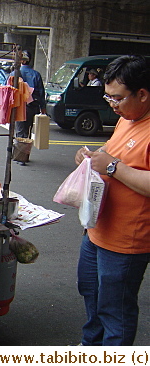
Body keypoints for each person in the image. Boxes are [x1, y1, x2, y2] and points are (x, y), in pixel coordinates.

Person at [74, 55, 149, 346]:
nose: (112, 105)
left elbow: (116, 163)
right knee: (90, 293)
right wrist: (90, 155)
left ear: (142, 94)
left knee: (115, 309)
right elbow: (109, 150)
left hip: (127, 242)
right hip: (97, 230)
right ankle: (91, 348)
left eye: (117, 98)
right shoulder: (126, 119)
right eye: (108, 97)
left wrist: (112, 166)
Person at [15, 50, 46, 139]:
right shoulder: (36, 74)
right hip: (31, 107)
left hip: (19, 106)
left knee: (20, 132)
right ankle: (25, 152)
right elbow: (41, 93)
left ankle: (19, 151)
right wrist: (43, 107)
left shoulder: (14, 73)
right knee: (28, 131)